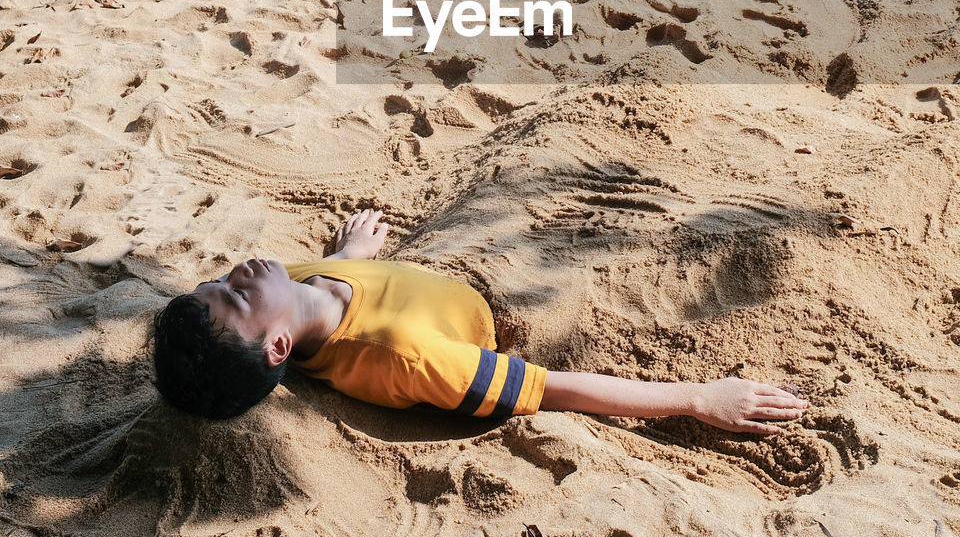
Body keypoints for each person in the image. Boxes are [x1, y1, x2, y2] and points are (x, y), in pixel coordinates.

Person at [152, 208, 808, 432]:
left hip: (417, 277)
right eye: (234, 298)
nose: (236, 273)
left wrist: (348, 256)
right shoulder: (402, 355)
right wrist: (697, 397)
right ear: (279, 347)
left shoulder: (286, 286)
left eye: (217, 282)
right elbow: (548, 388)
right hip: (495, 309)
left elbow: (310, 290)